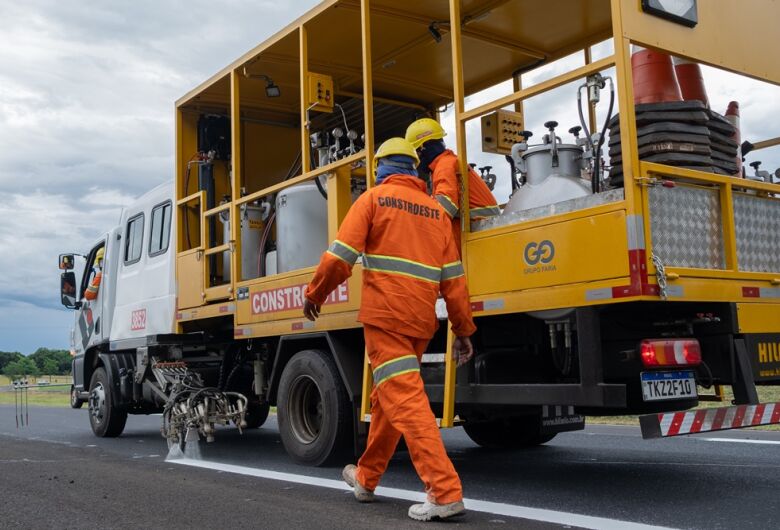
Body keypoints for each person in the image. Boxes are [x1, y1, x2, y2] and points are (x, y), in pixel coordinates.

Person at [302, 137, 476, 521]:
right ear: (414, 170)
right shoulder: (435, 213)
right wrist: (463, 330)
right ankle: (366, 477)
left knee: (406, 402)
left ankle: (444, 491)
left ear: (381, 169)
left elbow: (339, 257)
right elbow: (455, 282)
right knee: (387, 399)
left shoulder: (373, 200)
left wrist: (315, 294)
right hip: (419, 323)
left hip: (386, 320)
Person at [405, 118, 500, 252]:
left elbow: (444, 207)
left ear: (424, 149)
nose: (418, 160)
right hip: (482, 230)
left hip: (480, 232)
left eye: (417, 153)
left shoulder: (444, 166)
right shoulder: (446, 163)